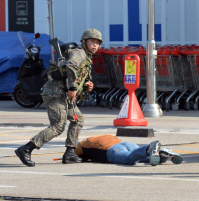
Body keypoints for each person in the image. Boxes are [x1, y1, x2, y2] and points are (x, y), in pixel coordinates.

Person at [15, 28, 102, 167]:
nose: (95, 45)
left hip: (64, 95)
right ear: (84, 42)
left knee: (78, 120)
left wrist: (86, 85)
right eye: (92, 41)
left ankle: (70, 153)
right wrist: (72, 88)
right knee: (57, 126)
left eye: (98, 43)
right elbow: (71, 66)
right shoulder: (79, 53)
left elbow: (74, 76)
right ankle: (26, 149)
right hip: (55, 93)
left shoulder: (86, 57)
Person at [74, 135, 182, 166]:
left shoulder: (83, 143)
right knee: (147, 158)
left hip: (113, 150)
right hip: (126, 144)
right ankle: (165, 153)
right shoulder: (108, 136)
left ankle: (149, 147)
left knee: (129, 159)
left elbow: (76, 154)